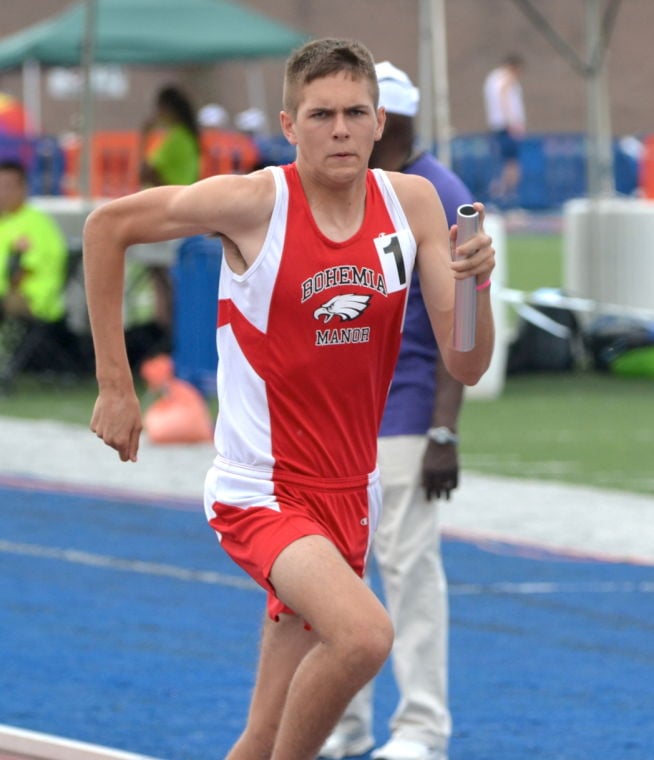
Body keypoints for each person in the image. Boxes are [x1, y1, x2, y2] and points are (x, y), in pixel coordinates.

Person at [83, 38, 495, 760]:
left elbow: (466, 361)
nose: (340, 128)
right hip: (261, 491)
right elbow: (105, 228)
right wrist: (116, 385)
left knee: (266, 732)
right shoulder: (251, 202)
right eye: (322, 113)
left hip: (350, 491)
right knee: (365, 636)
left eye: (355, 113)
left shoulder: (416, 204)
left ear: (379, 123)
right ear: (289, 123)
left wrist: (473, 285)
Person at [319, 61, 473, 760]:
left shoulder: (441, 195)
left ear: (393, 124)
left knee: (409, 574)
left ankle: (421, 728)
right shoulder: (359, 189)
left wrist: (445, 428)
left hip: (407, 410)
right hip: (342, 419)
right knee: (335, 584)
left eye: (363, 119)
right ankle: (341, 723)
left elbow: (462, 328)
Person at [0, 159, 78, 387]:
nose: (2, 192)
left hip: (34, 299)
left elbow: (20, 273)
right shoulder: (5, 221)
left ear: (23, 188)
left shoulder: (36, 224)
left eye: (7, 186)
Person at [139, 84, 201, 346]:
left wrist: (143, 137)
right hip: (181, 213)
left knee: (163, 279)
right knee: (165, 278)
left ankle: (168, 334)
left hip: (168, 213)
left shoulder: (176, 139)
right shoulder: (188, 137)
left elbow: (150, 173)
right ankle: (170, 333)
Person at [483, 54, 526, 208]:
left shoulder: (493, 78)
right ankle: (508, 198)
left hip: (498, 126)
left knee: (503, 163)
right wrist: (512, 122)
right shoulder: (506, 79)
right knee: (512, 165)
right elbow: (504, 95)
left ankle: (500, 195)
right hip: (506, 127)